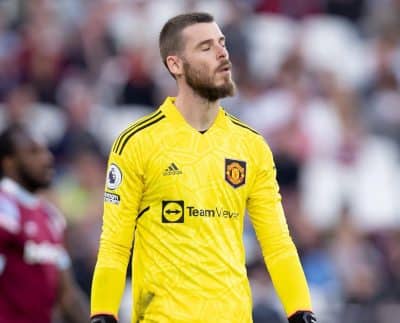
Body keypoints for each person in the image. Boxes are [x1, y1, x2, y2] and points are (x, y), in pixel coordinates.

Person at [91, 12, 316, 323]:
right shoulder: (137, 142)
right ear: (175, 65)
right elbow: (115, 244)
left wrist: (300, 310)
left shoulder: (251, 146)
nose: (222, 53)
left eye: (222, 44)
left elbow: (277, 243)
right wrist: (102, 313)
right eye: (206, 47)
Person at [0, 124, 89, 323]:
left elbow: (68, 297)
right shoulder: (5, 211)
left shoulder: (51, 218)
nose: (47, 158)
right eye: (33, 152)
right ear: (8, 163)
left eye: (46, 150)